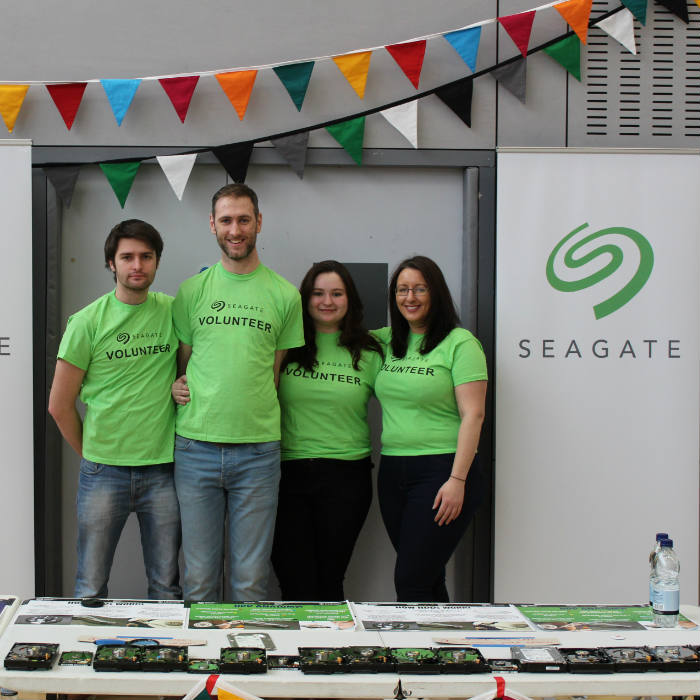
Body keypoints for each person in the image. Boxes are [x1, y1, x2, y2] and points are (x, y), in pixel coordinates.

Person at [171, 183, 304, 602]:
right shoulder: (192, 291)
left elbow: (274, 373)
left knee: (250, 582)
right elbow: (184, 364)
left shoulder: (285, 295)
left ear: (258, 223)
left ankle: (243, 662)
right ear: (212, 225)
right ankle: (201, 666)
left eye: (244, 219)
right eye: (226, 220)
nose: (235, 229)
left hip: (259, 452)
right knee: (199, 580)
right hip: (196, 449)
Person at [48, 219, 181, 600]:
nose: (137, 265)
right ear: (112, 263)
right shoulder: (87, 322)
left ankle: (167, 659)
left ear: (156, 262)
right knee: (90, 585)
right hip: (104, 472)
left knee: (166, 587)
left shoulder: (174, 312)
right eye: (127, 257)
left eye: (146, 256)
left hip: (164, 471)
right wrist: (93, 454)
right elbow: (59, 405)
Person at [374, 255, 487, 602]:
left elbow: (474, 414)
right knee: (426, 576)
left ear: (435, 293)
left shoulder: (460, 343)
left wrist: (457, 481)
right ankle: (447, 653)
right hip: (392, 471)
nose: (410, 297)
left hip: (442, 472)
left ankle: (413, 654)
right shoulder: (383, 342)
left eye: (420, 289)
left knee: (411, 581)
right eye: (402, 290)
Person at [271, 261, 384, 601]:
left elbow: (407, 397)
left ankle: (327, 654)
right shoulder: (286, 346)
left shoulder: (371, 351)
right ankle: (294, 654)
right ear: (305, 299)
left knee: (330, 579)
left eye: (337, 293)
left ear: (350, 299)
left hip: (347, 477)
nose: (327, 301)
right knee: (293, 579)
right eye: (318, 293)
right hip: (286, 474)